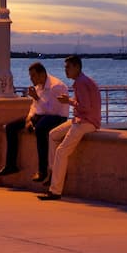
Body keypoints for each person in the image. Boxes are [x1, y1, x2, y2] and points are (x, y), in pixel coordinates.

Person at [39, 55, 101, 200]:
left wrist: (69, 102)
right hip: (81, 119)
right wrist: (70, 101)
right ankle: (55, 172)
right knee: (53, 135)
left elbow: (85, 108)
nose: (65, 70)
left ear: (77, 67)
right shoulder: (82, 81)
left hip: (87, 122)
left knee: (61, 151)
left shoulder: (81, 83)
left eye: (68, 67)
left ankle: (55, 191)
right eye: (65, 67)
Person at [0, 62, 69, 181]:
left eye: (33, 75)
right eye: (30, 75)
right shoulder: (39, 86)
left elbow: (52, 110)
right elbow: (34, 107)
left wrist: (37, 98)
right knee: (10, 127)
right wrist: (29, 119)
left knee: (40, 129)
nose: (31, 78)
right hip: (41, 115)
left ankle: (42, 171)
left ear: (42, 74)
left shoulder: (56, 87)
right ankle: (11, 165)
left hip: (57, 117)